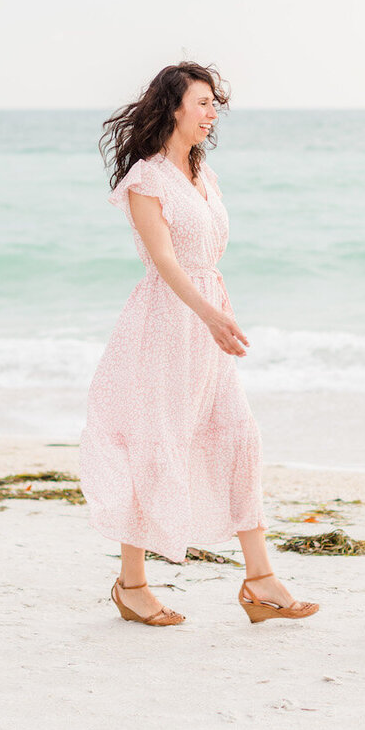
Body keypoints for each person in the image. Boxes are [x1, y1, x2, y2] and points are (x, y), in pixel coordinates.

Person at [80, 63, 317, 627]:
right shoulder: (146, 178)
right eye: (203, 102)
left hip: (207, 321)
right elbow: (163, 260)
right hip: (166, 325)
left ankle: (260, 581)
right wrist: (209, 313)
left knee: (239, 437)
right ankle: (132, 585)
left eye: (215, 103)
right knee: (152, 443)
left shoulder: (201, 174)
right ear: (174, 108)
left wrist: (217, 312)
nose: (213, 112)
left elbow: (207, 253)